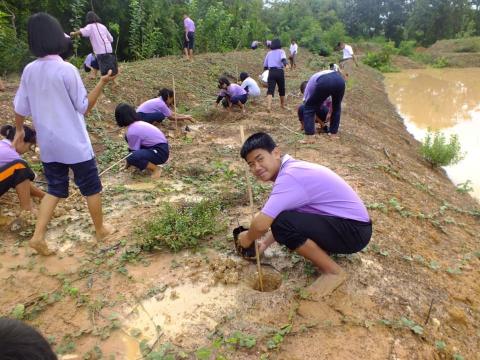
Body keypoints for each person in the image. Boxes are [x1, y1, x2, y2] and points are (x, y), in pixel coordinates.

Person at [13, 12, 117, 256]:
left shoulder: (29, 70)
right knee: (91, 187)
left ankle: (38, 236)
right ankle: (100, 229)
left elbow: (20, 108)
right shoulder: (66, 69)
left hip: (49, 146)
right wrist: (101, 83)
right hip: (75, 144)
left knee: (55, 188)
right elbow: (84, 108)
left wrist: (19, 129)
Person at [237, 133, 371, 299]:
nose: (256, 167)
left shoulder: (290, 177)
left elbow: (261, 225)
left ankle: (333, 272)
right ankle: (324, 252)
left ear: (276, 153)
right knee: (283, 219)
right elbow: (286, 214)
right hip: (351, 226)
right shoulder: (292, 169)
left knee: (282, 224)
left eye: (260, 159)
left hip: (353, 231)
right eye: (251, 164)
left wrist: (247, 238)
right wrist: (264, 243)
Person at [115, 103, 169, 179]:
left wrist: (129, 160)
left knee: (132, 157)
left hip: (160, 152)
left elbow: (132, 153)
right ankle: (145, 163)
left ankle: (156, 169)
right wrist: (127, 165)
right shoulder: (137, 124)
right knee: (130, 150)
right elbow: (132, 150)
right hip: (159, 148)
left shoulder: (132, 131)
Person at [0, 125, 45, 214]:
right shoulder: (10, 154)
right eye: (30, 146)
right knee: (20, 166)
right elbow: (24, 180)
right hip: (19, 166)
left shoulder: (2, 146)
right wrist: (46, 197)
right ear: (21, 140)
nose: (28, 150)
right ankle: (28, 210)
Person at [301, 70, 345, 142]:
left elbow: (307, 105)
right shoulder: (314, 80)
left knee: (309, 108)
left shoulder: (307, 90)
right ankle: (333, 134)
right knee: (336, 107)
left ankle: (310, 138)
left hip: (325, 81)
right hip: (340, 80)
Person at [70, 11, 115, 77]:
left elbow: (82, 31)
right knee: (96, 62)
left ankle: (113, 80)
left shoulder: (90, 26)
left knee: (106, 69)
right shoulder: (103, 26)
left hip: (100, 51)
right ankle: (93, 75)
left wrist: (73, 33)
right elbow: (111, 39)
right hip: (108, 49)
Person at [263, 39, 288, 111]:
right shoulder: (281, 51)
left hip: (271, 72)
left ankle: (269, 107)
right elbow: (283, 59)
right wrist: (286, 65)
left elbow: (265, 65)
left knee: (270, 90)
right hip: (279, 71)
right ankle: (282, 105)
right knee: (282, 89)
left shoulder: (269, 53)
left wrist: (265, 73)